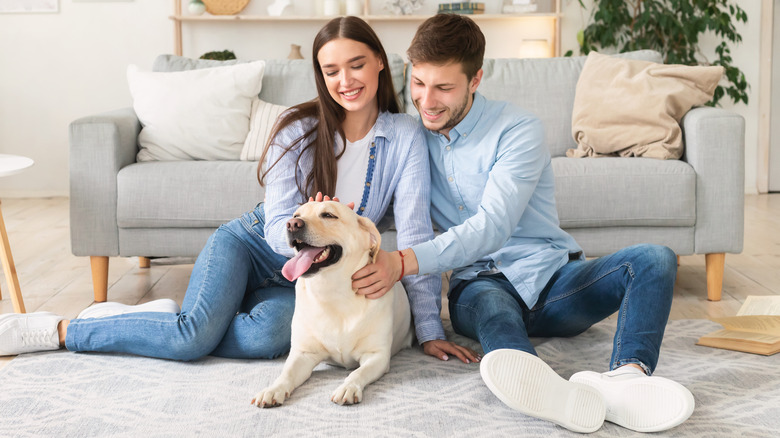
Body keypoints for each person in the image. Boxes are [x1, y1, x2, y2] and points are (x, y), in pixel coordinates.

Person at [0, 17, 477, 366]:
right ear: (320, 74)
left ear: (379, 63)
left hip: (315, 275)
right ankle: (62, 329)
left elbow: (414, 230)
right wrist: (302, 235)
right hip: (254, 245)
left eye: (356, 65)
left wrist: (428, 330)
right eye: (331, 70)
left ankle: (177, 317)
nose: (345, 81)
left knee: (272, 336)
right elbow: (275, 225)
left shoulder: (406, 137)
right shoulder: (298, 129)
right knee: (190, 340)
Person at [352, 14, 694, 434]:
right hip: (477, 287)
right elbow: (380, 203)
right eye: (418, 83)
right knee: (495, 309)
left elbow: (493, 226)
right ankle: (540, 385)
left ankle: (627, 379)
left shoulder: (517, 129)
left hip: (553, 281)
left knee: (655, 260)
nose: (426, 100)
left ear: (475, 80)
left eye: (444, 87)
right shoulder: (409, 138)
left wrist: (402, 262)